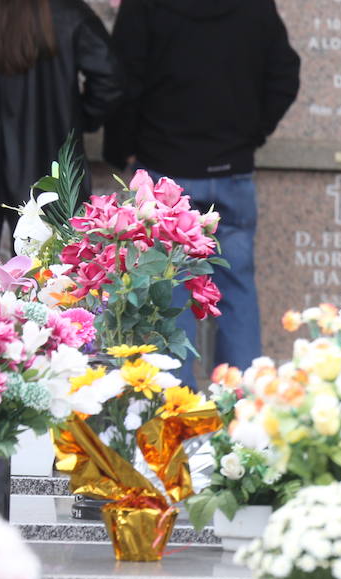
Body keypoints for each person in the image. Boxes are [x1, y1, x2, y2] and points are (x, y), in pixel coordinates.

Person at [103, 0, 300, 379]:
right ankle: (243, 414)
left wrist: (119, 149)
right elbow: (284, 74)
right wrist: (250, 135)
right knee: (237, 294)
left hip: (164, 175)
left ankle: (174, 421)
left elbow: (123, 81)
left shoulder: (144, 8)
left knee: (167, 297)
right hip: (232, 171)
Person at [0, 0, 122, 278]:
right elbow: (110, 81)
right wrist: (74, 123)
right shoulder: (65, 12)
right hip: (48, 174)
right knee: (52, 293)